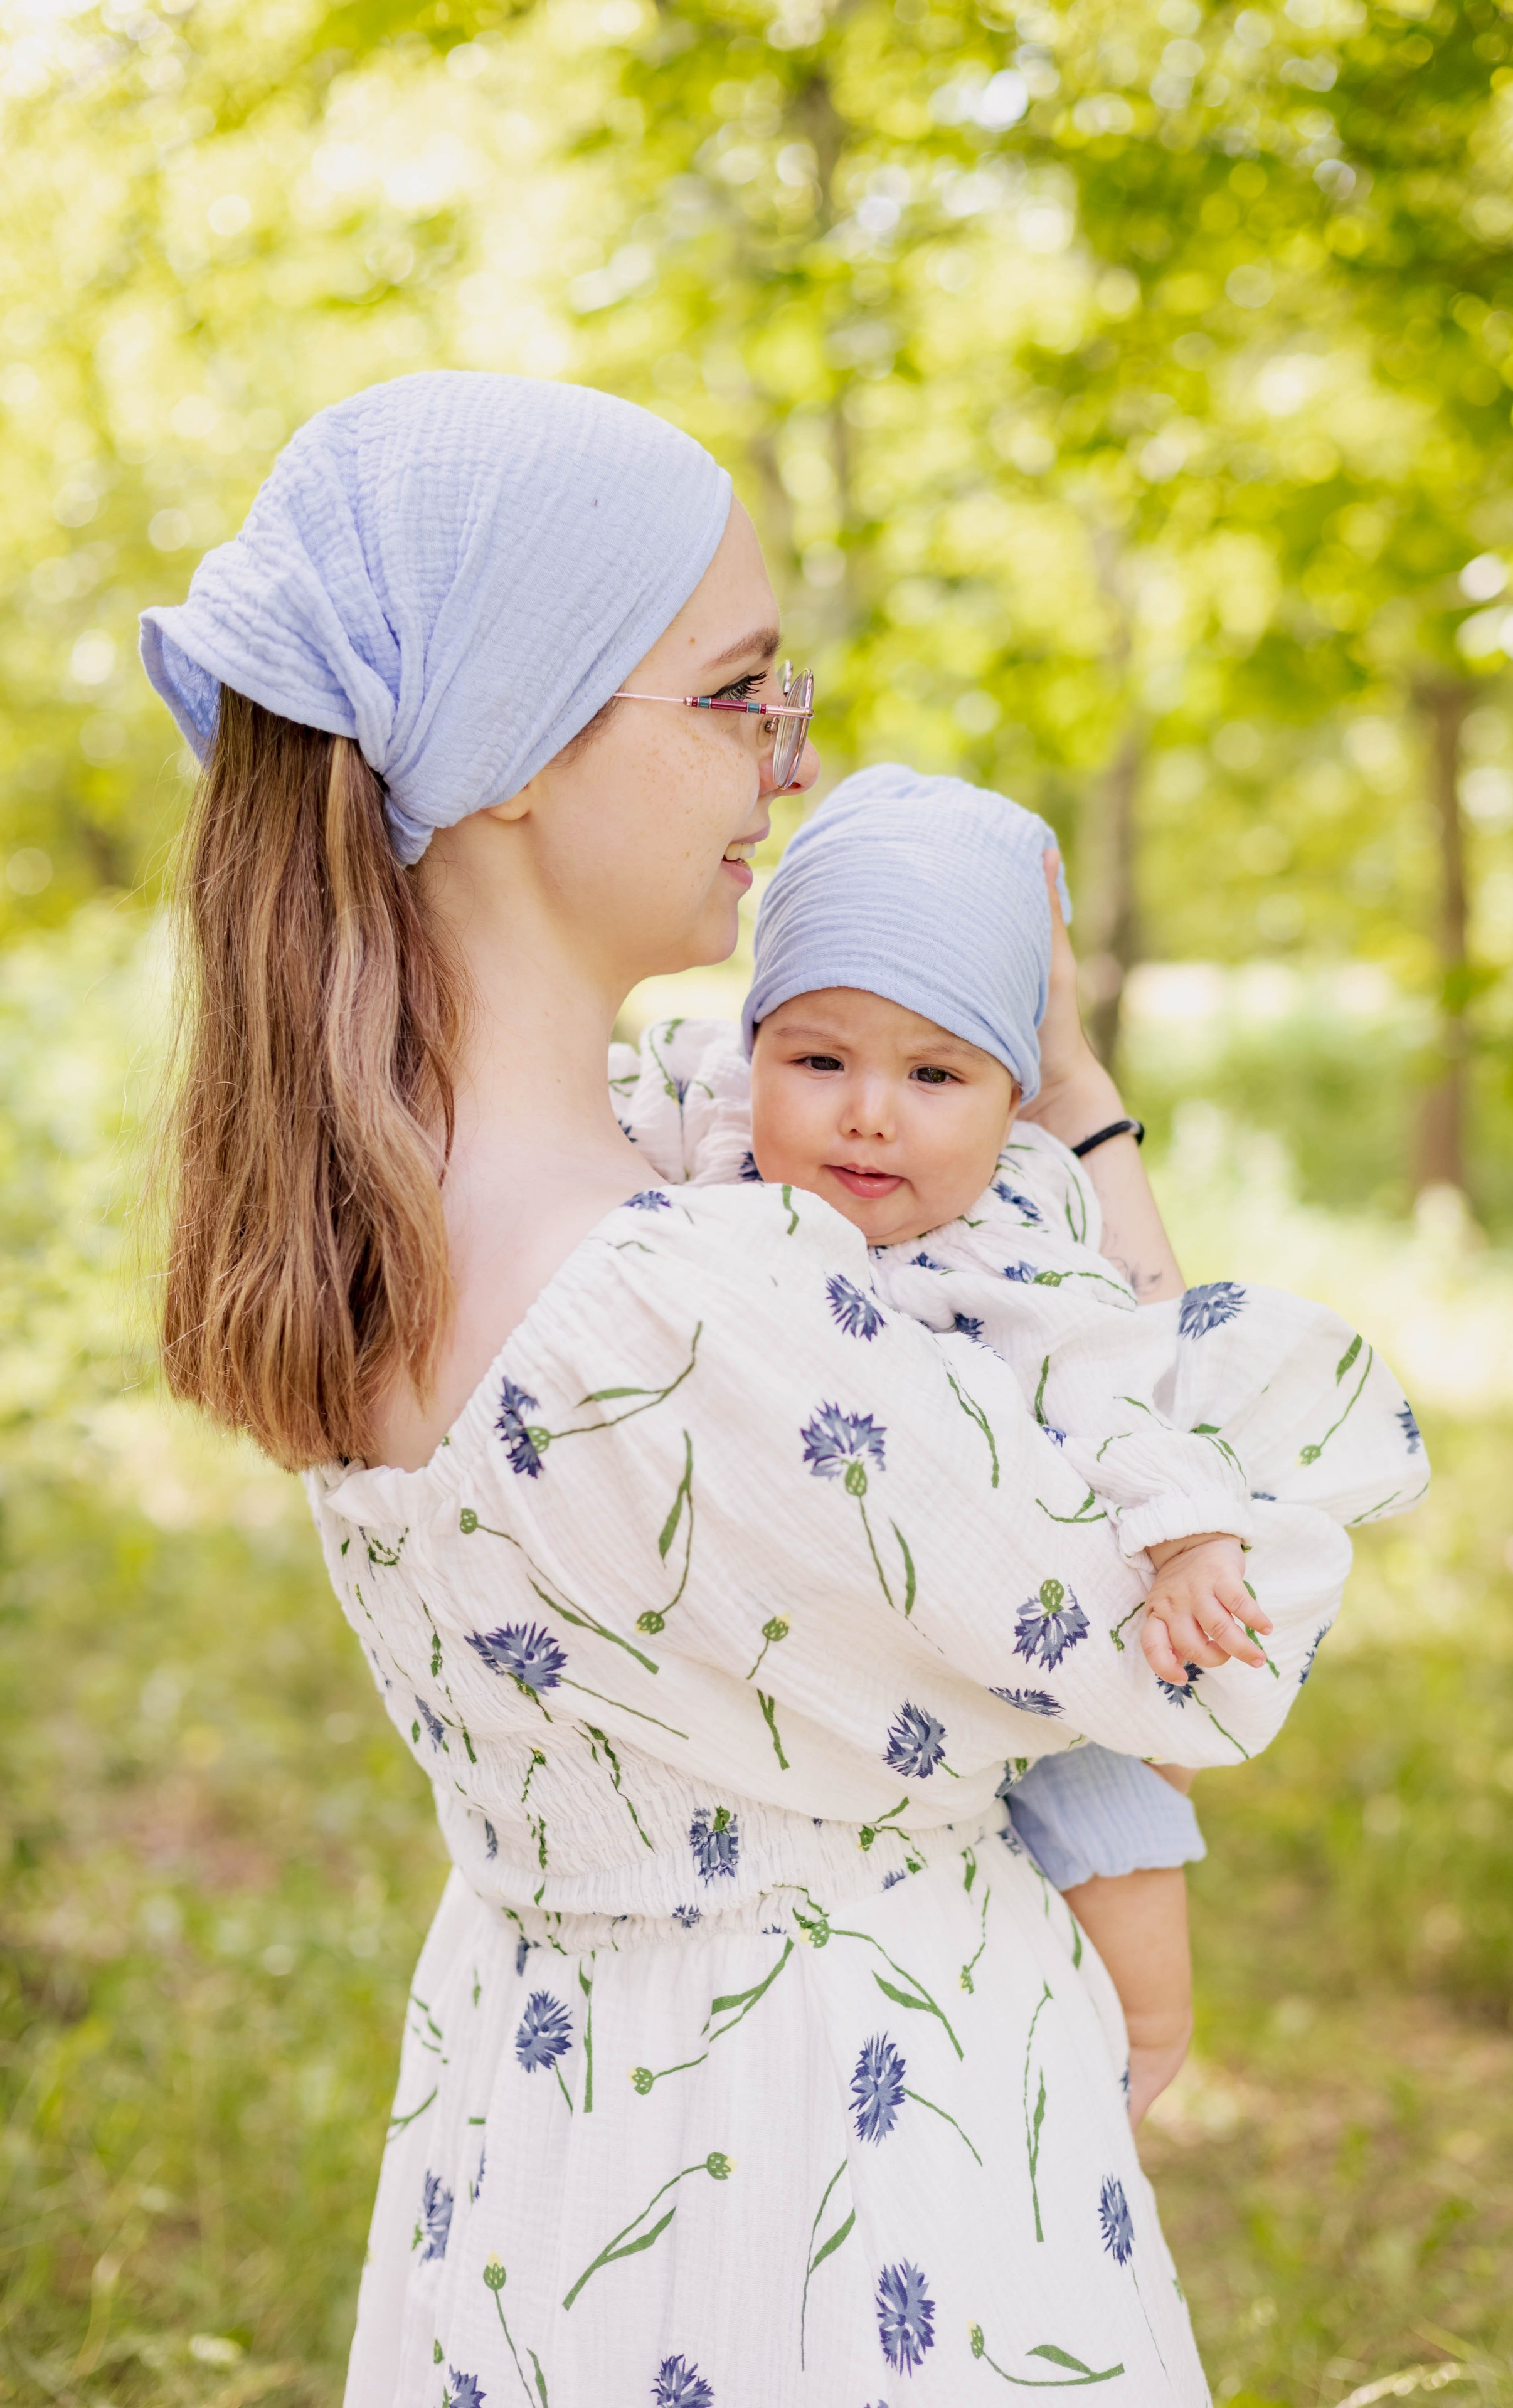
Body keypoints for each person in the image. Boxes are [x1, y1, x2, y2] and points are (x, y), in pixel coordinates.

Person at [141, 370, 1369, 2406]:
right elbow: (1205, 1650)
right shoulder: (692, 1311)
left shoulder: (410, 1222)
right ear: (522, 744)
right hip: (848, 2174)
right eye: (734, 697)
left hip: (548, 2163)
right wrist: (1072, 1103)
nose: (781, 769)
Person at [607, 764, 1427, 2137]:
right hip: (806, 1653)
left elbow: (1114, 1392)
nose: (868, 1112)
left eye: (933, 1075)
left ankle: (1145, 2050)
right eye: (817, 1059)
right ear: (751, 1047)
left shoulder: (1009, 1237)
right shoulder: (706, 1132)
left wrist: (1184, 1543)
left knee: (1114, 1829)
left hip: (1027, 1593)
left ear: (1007, 1101)